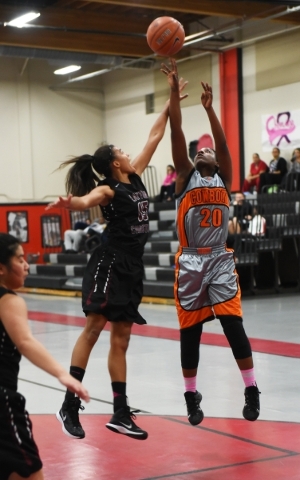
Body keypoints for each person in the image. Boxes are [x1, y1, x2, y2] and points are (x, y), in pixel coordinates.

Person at [46, 86, 187, 441]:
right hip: (110, 262)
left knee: (121, 338)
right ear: (113, 163)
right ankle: (69, 404)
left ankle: (120, 411)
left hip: (132, 266)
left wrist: (171, 97)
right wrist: (71, 204)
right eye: (121, 151)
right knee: (94, 329)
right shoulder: (109, 189)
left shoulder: (136, 173)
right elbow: (86, 200)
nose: (128, 152)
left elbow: (157, 133)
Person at [161, 58, 260, 427]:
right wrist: (174, 95)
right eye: (199, 150)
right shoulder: (186, 176)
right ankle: (191, 395)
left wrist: (210, 108)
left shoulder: (226, 177)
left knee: (233, 325)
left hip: (219, 259)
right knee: (191, 331)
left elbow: (221, 142)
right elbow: (175, 130)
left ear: (217, 163)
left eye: (209, 152)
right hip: (190, 261)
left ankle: (251, 388)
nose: (204, 150)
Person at [0, 233, 89, 480]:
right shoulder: (7, 300)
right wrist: (64, 375)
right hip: (3, 403)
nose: (26, 265)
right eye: (19, 259)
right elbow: (26, 341)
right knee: (31, 473)